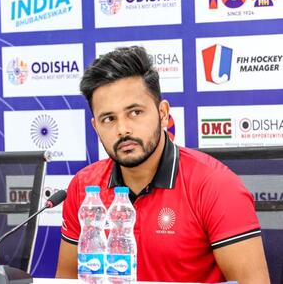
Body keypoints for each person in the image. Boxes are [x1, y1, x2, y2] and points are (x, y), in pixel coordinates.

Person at [56, 46, 269, 283]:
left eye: (135, 112)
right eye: (109, 119)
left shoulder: (216, 185)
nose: (122, 129)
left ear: (163, 113)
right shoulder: (84, 187)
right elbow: (66, 279)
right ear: (96, 127)